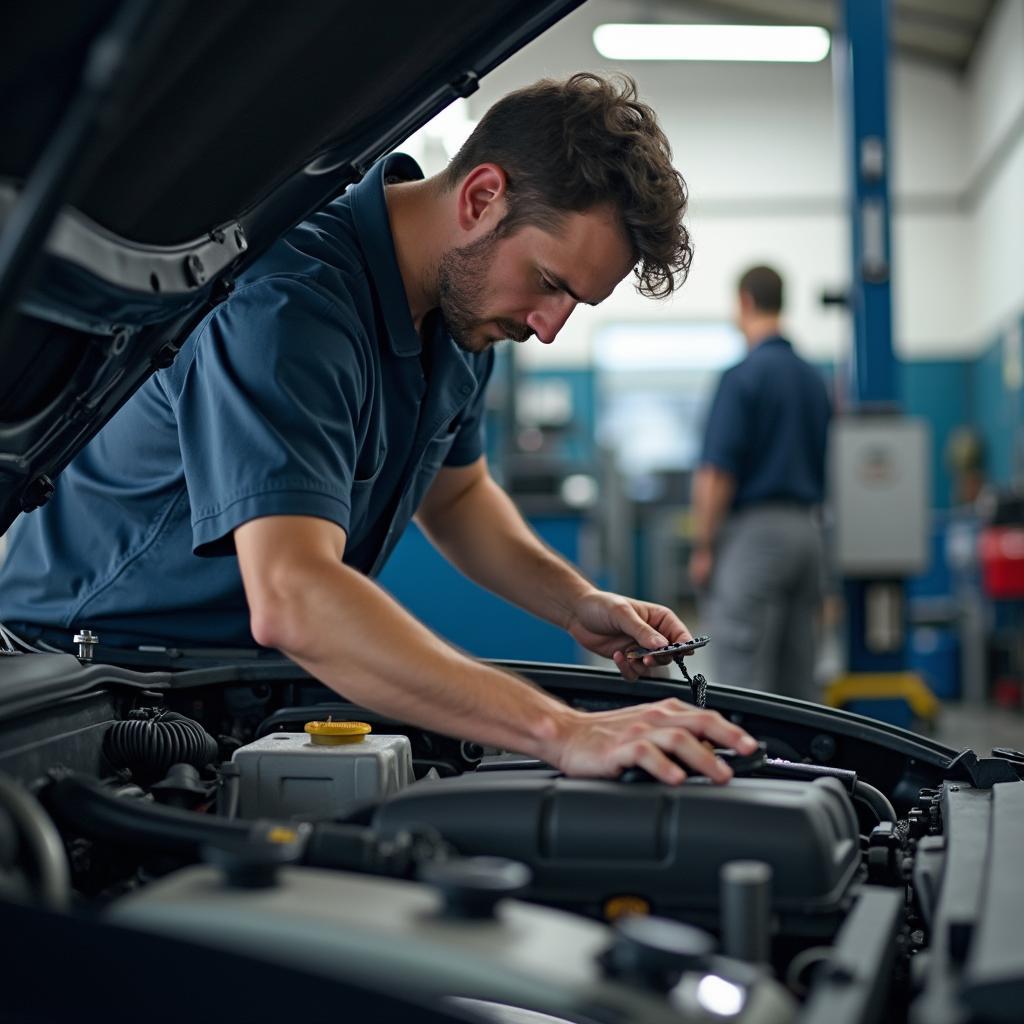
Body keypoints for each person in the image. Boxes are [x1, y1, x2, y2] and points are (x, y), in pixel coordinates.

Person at [0, 74, 756, 783]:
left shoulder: (464, 319)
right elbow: (293, 594)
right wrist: (563, 731)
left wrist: (574, 602)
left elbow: (458, 500)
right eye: (551, 284)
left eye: (575, 305)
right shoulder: (288, 309)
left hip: (234, 691)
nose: (549, 328)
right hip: (89, 691)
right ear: (482, 196)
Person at [689, 265, 831, 699]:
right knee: (798, 683)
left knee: (741, 680)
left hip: (755, 538)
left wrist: (704, 545)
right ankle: (804, 767)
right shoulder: (814, 380)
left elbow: (717, 472)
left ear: (745, 302)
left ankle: (745, 765)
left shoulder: (742, 377)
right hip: (808, 535)